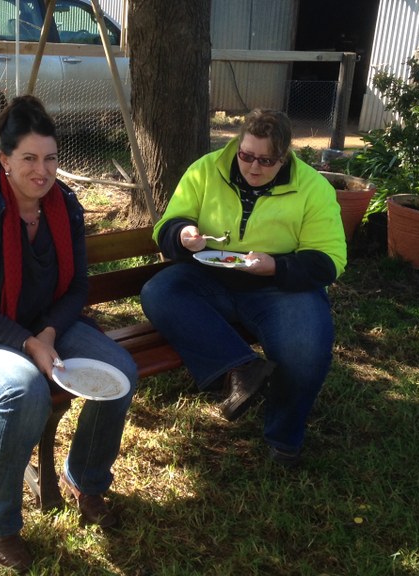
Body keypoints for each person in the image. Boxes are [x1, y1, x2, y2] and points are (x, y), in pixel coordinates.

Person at [0, 95, 136, 573]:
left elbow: (77, 285)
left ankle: (85, 479)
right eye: (29, 159)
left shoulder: (64, 206)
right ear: (4, 159)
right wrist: (29, 343)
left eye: (51, 158)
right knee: (24, 389)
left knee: (120, 371)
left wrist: (50, 332)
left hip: (44, 321)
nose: (42, 171)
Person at [140, 109, 347, 467]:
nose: (253, 167)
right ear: (237, 145)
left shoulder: (314, 188)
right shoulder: (205, 169)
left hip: (279, 285)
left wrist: (276, 266)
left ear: (284, 158)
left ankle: (284, 441)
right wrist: (183, 234)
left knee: (305, 349)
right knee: (160, 292)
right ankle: (240, 369)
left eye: (266, 161)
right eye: (246, 155)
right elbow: (167, 226)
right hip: (210, 277)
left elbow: (328, 262)